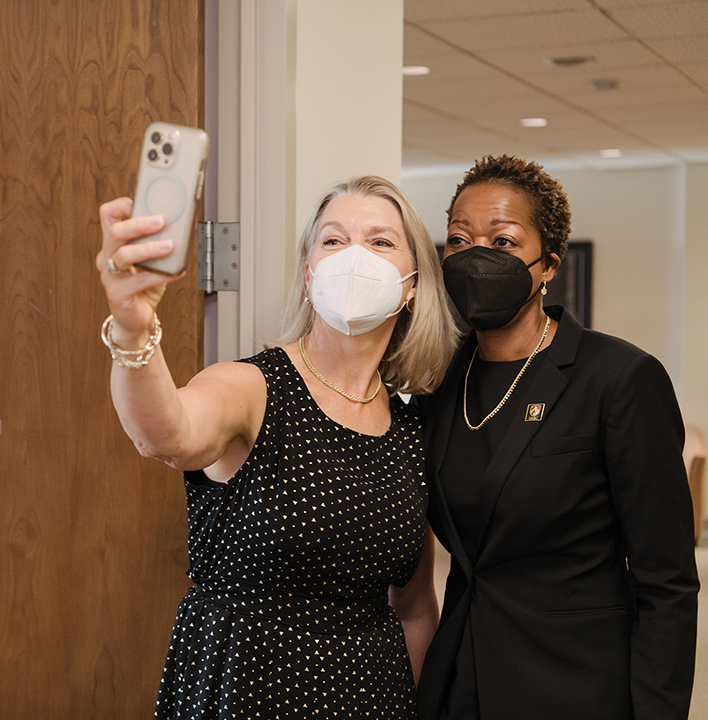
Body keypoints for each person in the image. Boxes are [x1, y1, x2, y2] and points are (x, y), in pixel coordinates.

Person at [97, 175, 460, 718]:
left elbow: (413, 608)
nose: (354, 256)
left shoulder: (410, 430)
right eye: (334, 241)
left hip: (374, 694)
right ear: (310, 275)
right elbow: (166, 433)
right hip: (247, 687)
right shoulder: (252, 388)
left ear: (411, 285)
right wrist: (132, 329)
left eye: (381, 241)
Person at [415, 154, 699, 720]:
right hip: (459, 682)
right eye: (459, 239)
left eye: (503, 241)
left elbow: (666, 582)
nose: (476, 256)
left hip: (575, 686)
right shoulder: (436, 382)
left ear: (549, 263)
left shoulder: (618, 378)